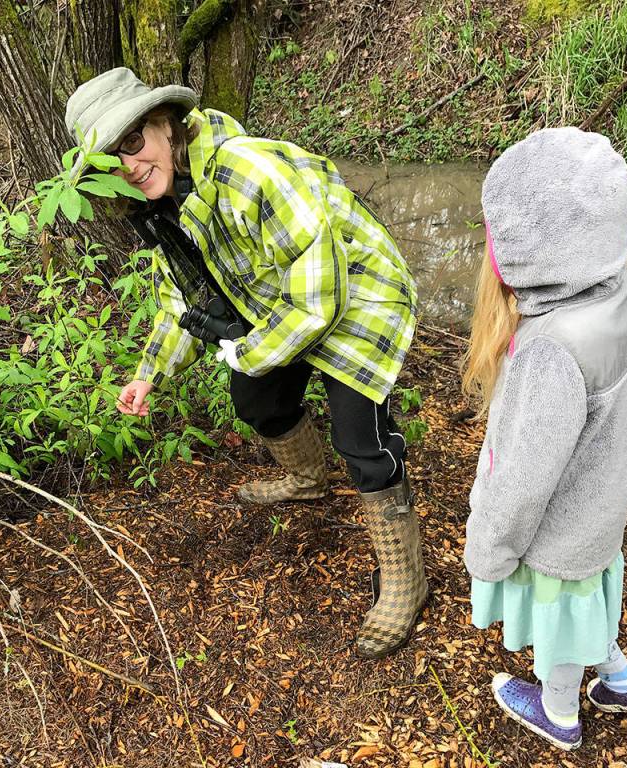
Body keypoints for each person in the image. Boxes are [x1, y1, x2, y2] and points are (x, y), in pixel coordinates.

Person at [64, 68, 426, 658]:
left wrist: (248, 350)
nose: (127, 165)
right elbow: (180, 297)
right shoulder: (165, 205)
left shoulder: (248, 170)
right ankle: (309, 481)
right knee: (256, 399)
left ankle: (406, 580)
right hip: (281, 303)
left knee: (360, 437)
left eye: (133, 142)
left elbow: (321, 294)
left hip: (357, 295)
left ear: (166, 125)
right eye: (109, 160)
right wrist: (147, 373)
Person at [460, 127, 627, 751]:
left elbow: (523, 478)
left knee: (565, 608)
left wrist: (488, 549)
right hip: (605, 509)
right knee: (592, 593)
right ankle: (621, 679)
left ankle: (559, 712)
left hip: (559, 530)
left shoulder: (549, 349)